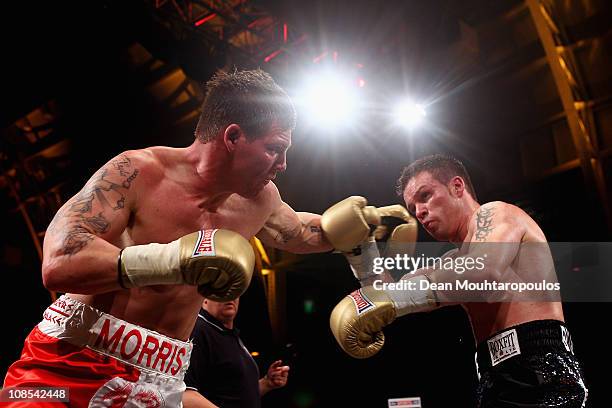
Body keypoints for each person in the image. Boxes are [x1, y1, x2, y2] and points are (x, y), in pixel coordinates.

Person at [2, 69, 331, 407]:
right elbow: (59, 261)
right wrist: (173, 261)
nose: (283, 164)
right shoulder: (138, 172)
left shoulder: (260, 201)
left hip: (163, 377)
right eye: (275, 149)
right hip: (73, 360)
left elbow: (302, 233)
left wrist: (367, 224)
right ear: (232, 137)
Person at [326, 154, 588, 407]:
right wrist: (362, 251)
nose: (419, 211)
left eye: (425, 196)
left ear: (457, 186)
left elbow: (484, 271)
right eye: (412, 207)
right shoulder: (453, 262)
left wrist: (394, 297)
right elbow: (386, 295)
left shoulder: (496, 214)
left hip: (539, 365)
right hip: (494, 376)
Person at [182, 297, 289, 408]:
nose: (230, 295)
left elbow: (236, 394)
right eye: (223, 288)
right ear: (205, 299)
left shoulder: (228, 334)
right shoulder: (198, 330)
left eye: (236, 290)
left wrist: (266, 383)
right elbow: (183, 394)